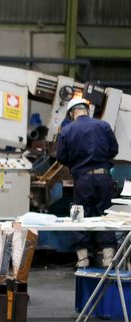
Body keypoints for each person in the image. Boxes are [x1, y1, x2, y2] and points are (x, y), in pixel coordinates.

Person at [56, 97, 119, 268]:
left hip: (82, 180)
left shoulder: (67, 130)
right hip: (103, 178)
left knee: (79, 216)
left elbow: (61, 156)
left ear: (71, 113)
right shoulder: (103, 125)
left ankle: (82, 260)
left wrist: (76, 164)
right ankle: (108, 259)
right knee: (106, 216)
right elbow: (114, 150)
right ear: (87, 110)